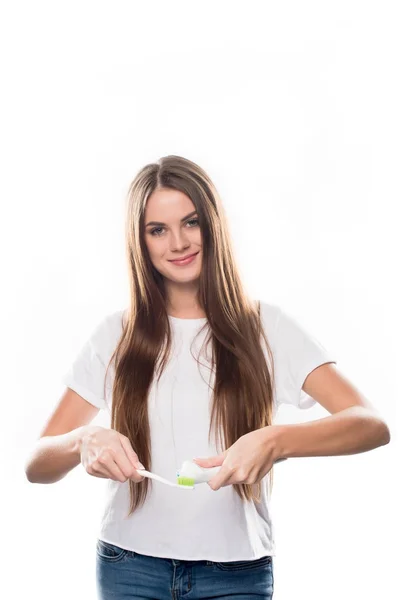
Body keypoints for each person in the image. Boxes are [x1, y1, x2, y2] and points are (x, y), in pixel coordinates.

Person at [25, 155, 384, 599]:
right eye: (157, 229)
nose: (178, 242)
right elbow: (37, 464)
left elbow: (371, 424)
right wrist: (84, 440)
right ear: (140, 242)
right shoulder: (116, 335)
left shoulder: (266, 328)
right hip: (128, 569)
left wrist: (275, 441)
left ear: (212, 224)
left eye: (190, 222)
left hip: (236, 575)